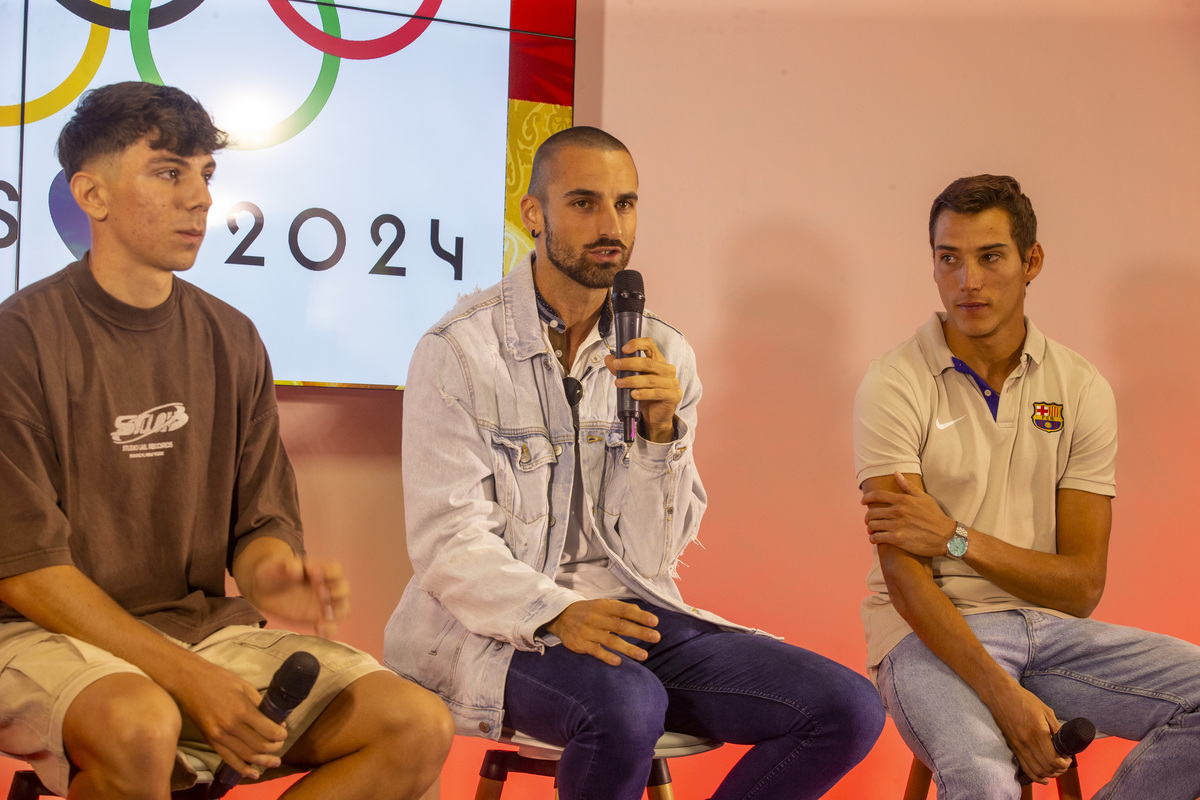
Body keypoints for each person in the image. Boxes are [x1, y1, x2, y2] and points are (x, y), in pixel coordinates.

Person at [384, 126, 884, 800]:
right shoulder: (459, 351)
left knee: (847, 709)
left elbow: (651, 558)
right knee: (627, 706)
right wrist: (559, 613)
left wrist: (659, 435)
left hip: (628, 611)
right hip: (497, 629)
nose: (610, 225)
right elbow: (447, 544)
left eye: (626, 204)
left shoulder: (665, 353)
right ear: (534, 214)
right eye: (585, 203)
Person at [0, 82, 453, 800]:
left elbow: (260, 526)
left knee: (415, 723)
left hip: (202, 631)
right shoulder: (20, 338)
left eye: (206, 175)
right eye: (168, 172)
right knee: (140, 725)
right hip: (35, 633)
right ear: (92, 195)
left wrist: (277, 576)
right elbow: (26, 572)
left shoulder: (231, 337)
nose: (201, 199)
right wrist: (189, 679)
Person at [854, 174, 1200, 799]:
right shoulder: (893, 383)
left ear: (1031, 260)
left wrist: (955, 538)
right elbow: (906, 580)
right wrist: (1003, 697)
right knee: (985, 780)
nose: (969, 281)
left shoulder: (1080, 387)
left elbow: (1083, 586)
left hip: (1049, 632)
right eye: (948, 259)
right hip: (927, 639)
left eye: (990, 257)